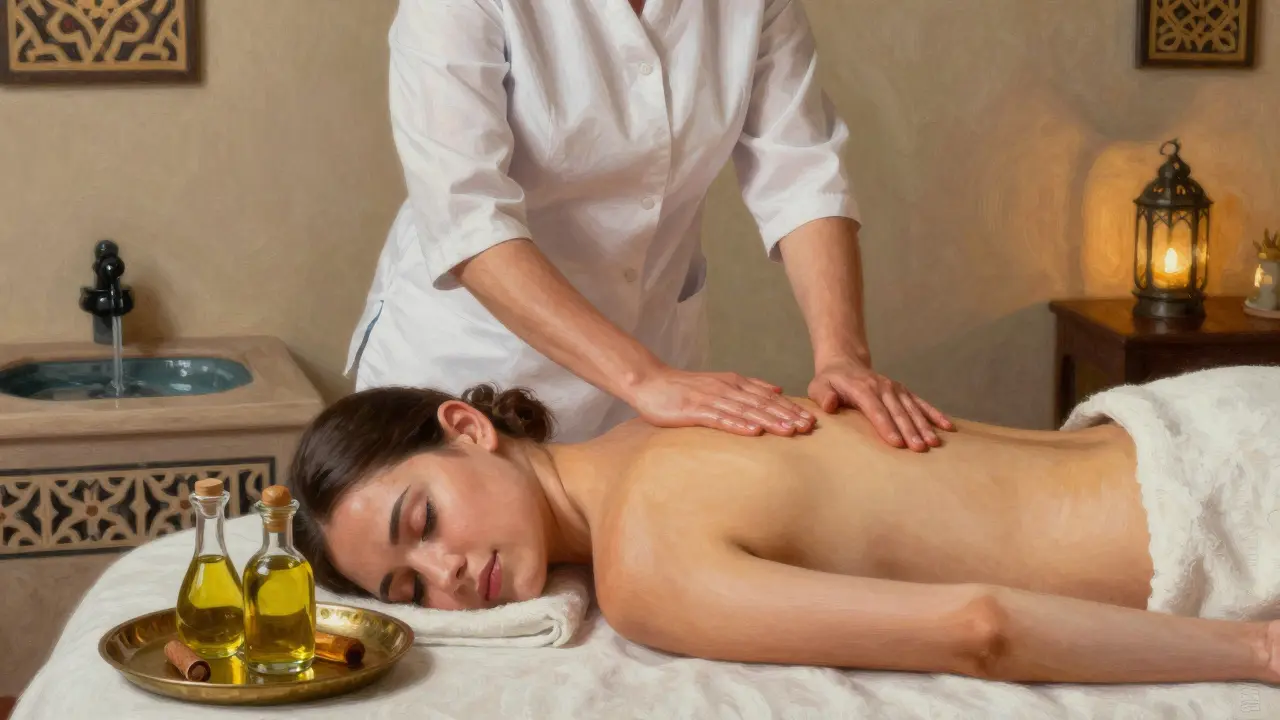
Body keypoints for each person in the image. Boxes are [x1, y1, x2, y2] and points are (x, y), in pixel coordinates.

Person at [289, 366, 1280, 686]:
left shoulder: (642, 571)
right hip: (1194, 414)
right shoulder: (674, 413)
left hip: (1226, 518)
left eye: (424, 521)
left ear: (468, 429)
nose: (447, 575)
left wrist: (1253, 652)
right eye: (409, 589)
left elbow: (978, 629)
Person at [345, 0, 953, 448]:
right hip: (470, 368)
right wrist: (644, 378)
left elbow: (801, 170)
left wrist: (842, 356)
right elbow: (468, 216)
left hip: (651, 370)